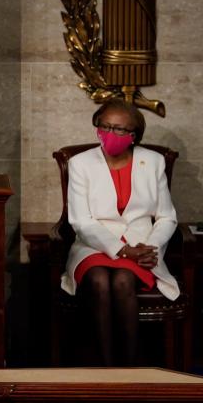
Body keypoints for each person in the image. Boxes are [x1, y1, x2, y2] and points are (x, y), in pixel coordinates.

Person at [63, 99, 179, 366]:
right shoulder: (80, 163)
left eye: (118, 129)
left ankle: (129, 368)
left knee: (123, 280)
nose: (109, 133)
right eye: (104, 126)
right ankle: (106, 370)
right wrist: (123, 250)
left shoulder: (153, 162)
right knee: (99, 280)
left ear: (133, 135)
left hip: (142, 244)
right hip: (93, 245)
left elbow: (166, 217)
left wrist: (150, 249)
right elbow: (81, 221)